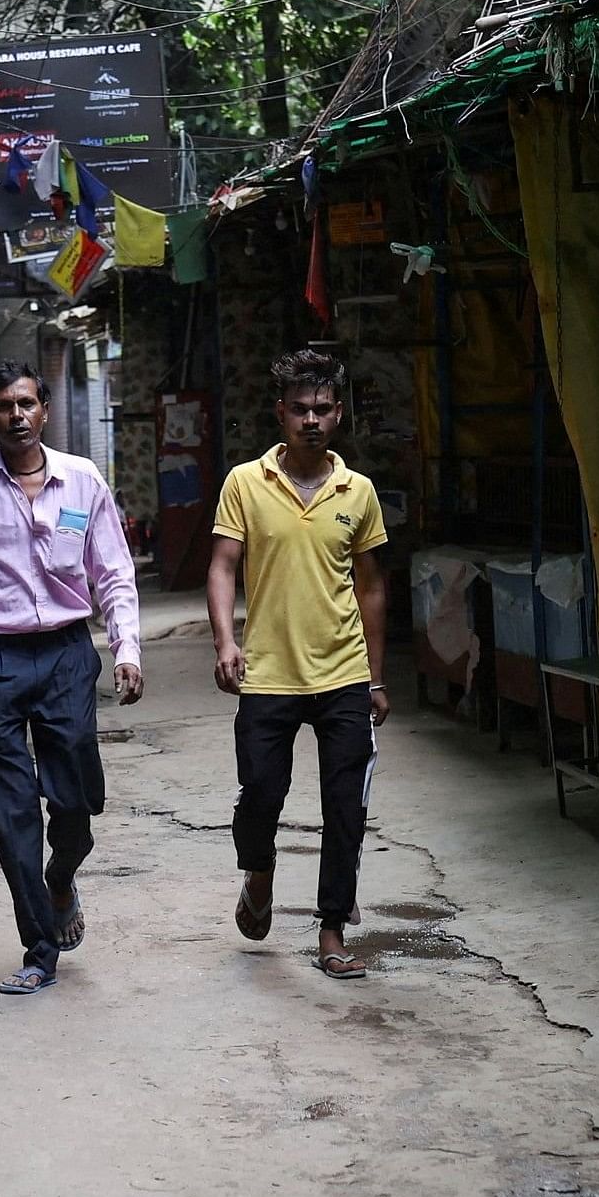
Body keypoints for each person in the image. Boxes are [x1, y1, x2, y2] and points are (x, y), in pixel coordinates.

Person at [0, 363, 143, 994]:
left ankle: (62, 876)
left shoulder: (83, 478)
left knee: (75, 799)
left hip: (68, 655)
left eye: (26, 403)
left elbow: (114, 572)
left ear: (44, 409)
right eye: (2, 406)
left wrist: (127, 648)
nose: (16, 415)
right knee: (11, 810)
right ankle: (38, 948)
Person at [208, 347, 393, 979]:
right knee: (261, 792)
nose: (310, 420)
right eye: (299, 410)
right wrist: (226, 642)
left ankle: (333, 929)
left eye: (321, 409)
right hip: (268, 673)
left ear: (337, 414)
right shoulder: (244, 482)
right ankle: (259, 873)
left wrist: (377, 675)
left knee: (345, 806)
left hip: (342, 674)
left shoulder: (358, 491)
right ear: (279, 414)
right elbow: (223, 566)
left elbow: (370, 586)